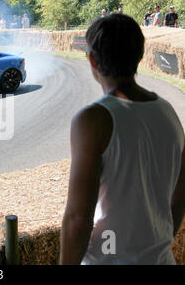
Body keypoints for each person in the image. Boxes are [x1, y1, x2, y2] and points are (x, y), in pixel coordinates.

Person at [60, 14, 184, 265]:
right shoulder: (169, 111)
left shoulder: (91, 119)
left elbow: (78, 218)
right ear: (140, 55)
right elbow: (180, 198)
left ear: (92, 59)